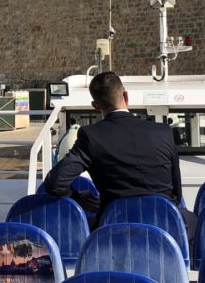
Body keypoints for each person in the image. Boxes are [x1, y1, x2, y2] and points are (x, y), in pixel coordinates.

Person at [43, 71, 193, 236]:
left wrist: (77, 197)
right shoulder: (163, 131)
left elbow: (55, 183)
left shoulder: (91, 136)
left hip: (115, 231)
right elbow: (177, 192)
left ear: (96, 106)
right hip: (165, 227)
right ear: (126, 96)